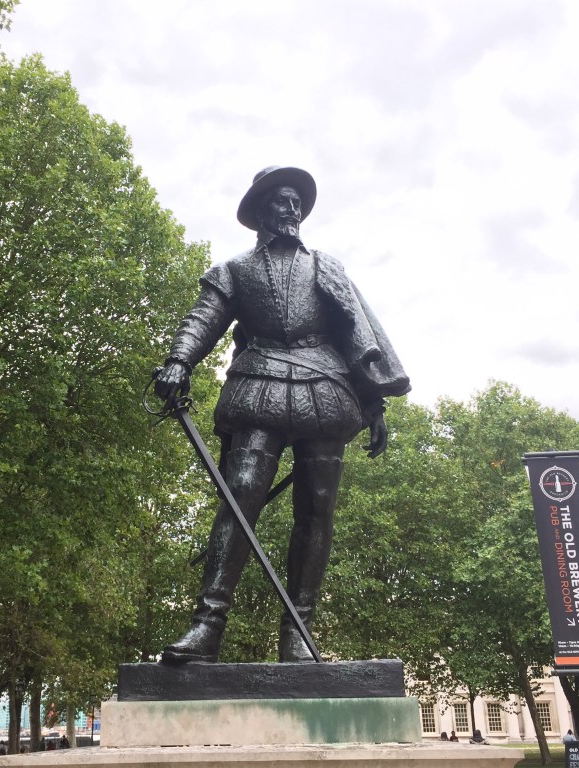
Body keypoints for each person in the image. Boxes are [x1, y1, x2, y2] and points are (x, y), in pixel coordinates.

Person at [155, 166, 410, 663]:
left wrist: (374, 403)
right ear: (260, 211)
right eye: (281, 201)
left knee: (317, 509)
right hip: (259, 385)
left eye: (297, 202)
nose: (292, 209)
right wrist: (179, 361)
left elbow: (356, 333)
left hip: (325, 390)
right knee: (241, 495)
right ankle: (207, 625)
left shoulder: (327, 267)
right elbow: (203, 319)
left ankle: (299, 631)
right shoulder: (235, 270)